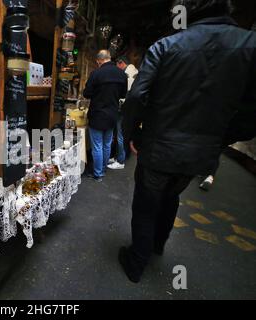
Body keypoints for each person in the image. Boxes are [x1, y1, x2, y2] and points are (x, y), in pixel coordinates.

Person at [120, 0, 256, 283]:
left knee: (146, 204)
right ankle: (157, 245)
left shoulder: (166, 45)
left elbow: (136, 97)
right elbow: (251, 111)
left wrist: (132, 134)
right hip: (201, 153)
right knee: (171, 196)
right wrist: (221, 139)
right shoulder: (250, 44)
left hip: (158, 148)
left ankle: (137, 262)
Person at [83, 50, 128, 182]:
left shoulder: (96, 73)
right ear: (109, 58)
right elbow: (123, 94)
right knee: (107, 144)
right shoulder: (121, 74)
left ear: (99, 61)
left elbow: (87, 93)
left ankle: (98, 174)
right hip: (112, 114)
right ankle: (102, 169)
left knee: (97, 145)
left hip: (97, 114)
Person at [107, 56, 139, 170]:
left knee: (120, 135)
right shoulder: (134, 71)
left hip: (124, 109)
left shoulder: (128, 74)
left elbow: (126, 95)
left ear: (121, 63)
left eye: (117, 65)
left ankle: (120, 161)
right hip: (131, 110)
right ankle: (117, 157)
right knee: (120, 134)